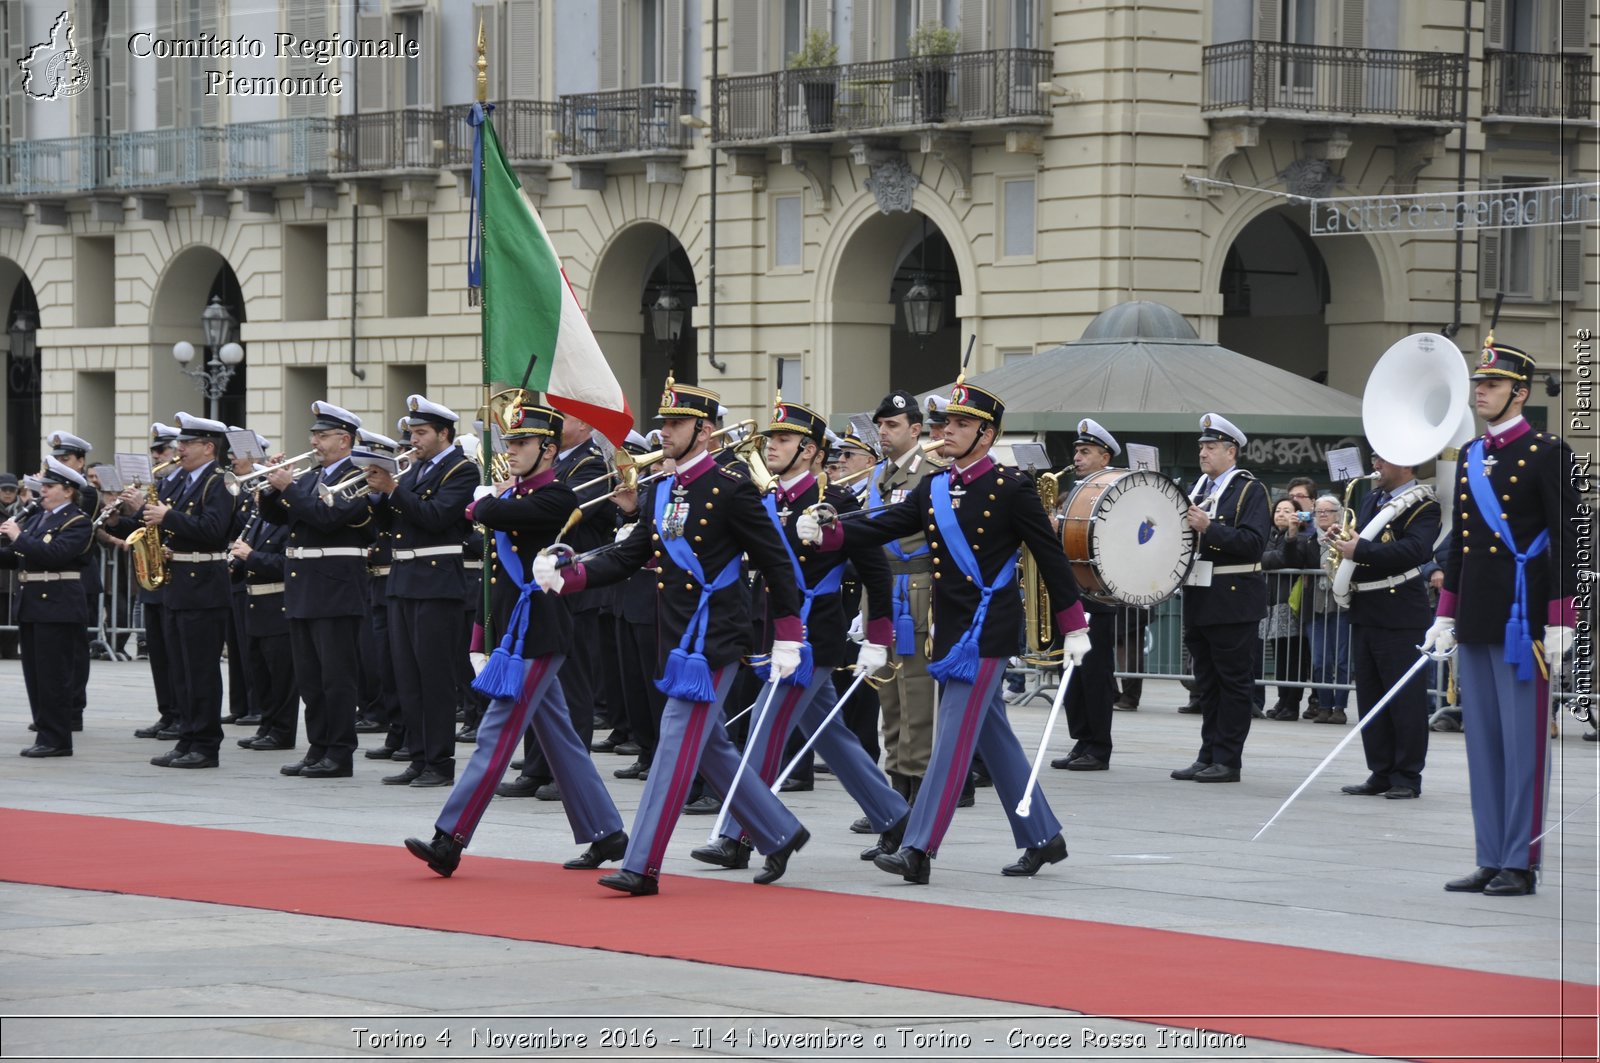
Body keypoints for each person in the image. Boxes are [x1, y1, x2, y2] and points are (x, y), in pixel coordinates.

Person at [800, 380, 1091, 884]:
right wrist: (831, 534)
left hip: (988, 630)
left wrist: (1073, 625)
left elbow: (1050, 558)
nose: (947, 431)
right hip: (949, 628)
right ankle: (1043, 836)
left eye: (959, 424)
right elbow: (885, 524)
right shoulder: (933, 487)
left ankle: (918, 846)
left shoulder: (1011, 487)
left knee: (952, 738)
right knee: (993, 737)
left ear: (986, 433)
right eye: (944, 424)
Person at [532, 378, 812, 896]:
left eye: (676, 424)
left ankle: (642, 864)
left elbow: (777, 561)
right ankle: (779, 831)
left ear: (704, 431)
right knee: (710, 748)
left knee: (674, 746)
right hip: (674, 638)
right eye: (662, 423)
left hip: (715, 640)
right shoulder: (661, 490)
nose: (664, 432)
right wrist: (569, 578)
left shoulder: (732, 490)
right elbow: (627, 555)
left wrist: (788, 634)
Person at [404, 399, 627, 877]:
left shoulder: (557, 498)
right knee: (562, 741)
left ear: (548, 449)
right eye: (509, 442)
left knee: (495, 734)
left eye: (521, 442)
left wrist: (490, 499)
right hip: (513, 631)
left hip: (541, 631)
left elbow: (487, 514)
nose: (512, 449)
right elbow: (493, 568)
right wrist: (482, 636)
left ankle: (450, 838)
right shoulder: (516, 497)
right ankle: (608, 833)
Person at [690, 396, 908, 872]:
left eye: (784, 439)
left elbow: (875, 568)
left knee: (765, 733)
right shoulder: (764, 497)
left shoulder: (837, 501)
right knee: (829, 733)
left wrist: (878, 633)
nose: (772, 446)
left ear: (809, 450)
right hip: (777, 628)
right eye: (770, 438)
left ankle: (739, 835)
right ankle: (894, 816)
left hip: (817, 633)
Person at [1428, 337, 1579, 897]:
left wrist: (1564, 617)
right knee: (1483, 744)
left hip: (1527, 622)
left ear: (1521, 393)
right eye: (1479, 385)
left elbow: (1570, 540)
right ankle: (1490, 854)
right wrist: (1447, 613)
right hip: (1481, 616)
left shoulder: (1548, 453)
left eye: (1492, 385)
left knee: (1523, 747)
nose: (1481, 393)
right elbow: (1462, 544)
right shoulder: (1469, 455)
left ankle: (1521, 859)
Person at [257, 401, 375, 780]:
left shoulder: (359, 477)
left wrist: (289, 487)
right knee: (310, 678)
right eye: (314, 435)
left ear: (345, 440)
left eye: (322, 436)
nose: (314, 442)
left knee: (336, 678)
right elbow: (276, 516)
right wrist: (274, 487)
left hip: (336, 587)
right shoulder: (310, 476)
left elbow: (327, 518)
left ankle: (339, 753)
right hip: (304, 585)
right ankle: (318, 747)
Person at [366, 396, 477, 788]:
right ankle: (417, 756)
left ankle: (439, 762)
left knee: (434, 676)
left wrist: (393, 488)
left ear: (443, 433)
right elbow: (390, 523)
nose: (414, 439)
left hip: (436, 581)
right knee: (407, 676)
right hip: (403, 579)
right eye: (411, 433)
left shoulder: (462, 470)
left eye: (421, 433)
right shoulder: (414, 470)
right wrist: (378, 495)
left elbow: (437, 517)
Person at [1334, 453, 1441, 800]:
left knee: (1404, 699)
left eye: (1382, 459)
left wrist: (1359, 550)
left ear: (1406, 465)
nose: (1375, 464)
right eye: (1374, 458)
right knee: (1370, 697)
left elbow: (1415, 551)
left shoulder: (1423, 505)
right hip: (1366, 608)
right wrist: (1340, 542)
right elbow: (1360, 547)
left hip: (1399, 612)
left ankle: (1407, 776)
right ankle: (1380, 771)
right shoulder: (1372, 499)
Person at [1171, 414, 1270, 783]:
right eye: (1201, 446)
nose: (1203, 452)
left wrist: (1210, 528)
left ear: (1232, 452)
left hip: (1232, 598)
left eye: (1211, 447)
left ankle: (1228, 759)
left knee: (1233, 682)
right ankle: (1208, 753)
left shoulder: (1249, 490)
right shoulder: (1199, 488)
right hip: (1201, 596)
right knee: (1207, 682)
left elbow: (1253, 543)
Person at [142, 413, 235, 770]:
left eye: (186, 443)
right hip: (177, 581)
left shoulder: (219, 481)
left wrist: (168, 518)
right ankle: (186, 737)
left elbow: (214, 529)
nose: (178, 449)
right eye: (179, 443)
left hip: (204, 582)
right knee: (178, 668)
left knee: (201, 670)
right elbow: (163, 521)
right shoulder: (178, 479)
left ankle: (206, 744)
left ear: (208, 447)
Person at [866, 390, 941, 809]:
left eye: (892, 425)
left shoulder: (930, 473)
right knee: (889, 696)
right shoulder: (878, 477)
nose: (883, 432)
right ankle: (896, 787)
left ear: (915, 429)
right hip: (883, 592)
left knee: (917, 695)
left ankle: (917, 789)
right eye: (881, 425)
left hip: (917, 594)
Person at [1, 458, 92, 757]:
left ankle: (57, 739)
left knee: (54, 676)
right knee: (36, 676)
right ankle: (44, 733)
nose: (43, 491)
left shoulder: (77, 521)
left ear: (68, 491)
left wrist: (18, 536)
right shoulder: (40, 517)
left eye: (50, 487)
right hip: (33, 604)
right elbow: (20, 557)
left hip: (58, 605)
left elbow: (54, 554)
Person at [1051, 418, 1121, 772]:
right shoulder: (1077, 490)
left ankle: (1099, 745)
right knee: (1072, 674)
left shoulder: (1112, 493)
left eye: (1085, 451)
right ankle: (1081, 739)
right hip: (1072, 592)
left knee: (1095, 674)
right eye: (1077, 451)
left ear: (1103, 457)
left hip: (1097, 593)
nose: (1077, 457)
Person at [45, 431, 99, 732]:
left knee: (75, 649)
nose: (60, 464)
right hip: (53, 577)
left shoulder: (86, 492)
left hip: (80, 577)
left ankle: (74, 708)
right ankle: (56, 707)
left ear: (80, 461)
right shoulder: (54, 490)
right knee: (54, 651)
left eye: (65, 459)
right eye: (57, 460)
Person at [1261, 496, 1314, 720]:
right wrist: (1274, 557)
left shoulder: (1300, 538)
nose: (1281, 514)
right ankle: (1282, 700)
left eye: (1286, 510)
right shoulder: (1269, 537)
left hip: (1290, 605)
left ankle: (1292, 704)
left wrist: (1291, 535)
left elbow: (1288, 560)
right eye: (1278, 510)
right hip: (1271, 605)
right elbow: (1262, 558)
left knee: (1294, 658)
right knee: (1280, 657)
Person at [1306, 495, 1352, 724]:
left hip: (1341, 605)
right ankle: (1323, 705)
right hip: (1315, 605)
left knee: (1342, 660)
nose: (1322, 514)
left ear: (1339, 513)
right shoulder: (1309, 538)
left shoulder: (1347, 536)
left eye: (1328, 510)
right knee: (1319, 660)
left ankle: (1340, 707)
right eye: (1318, 511)